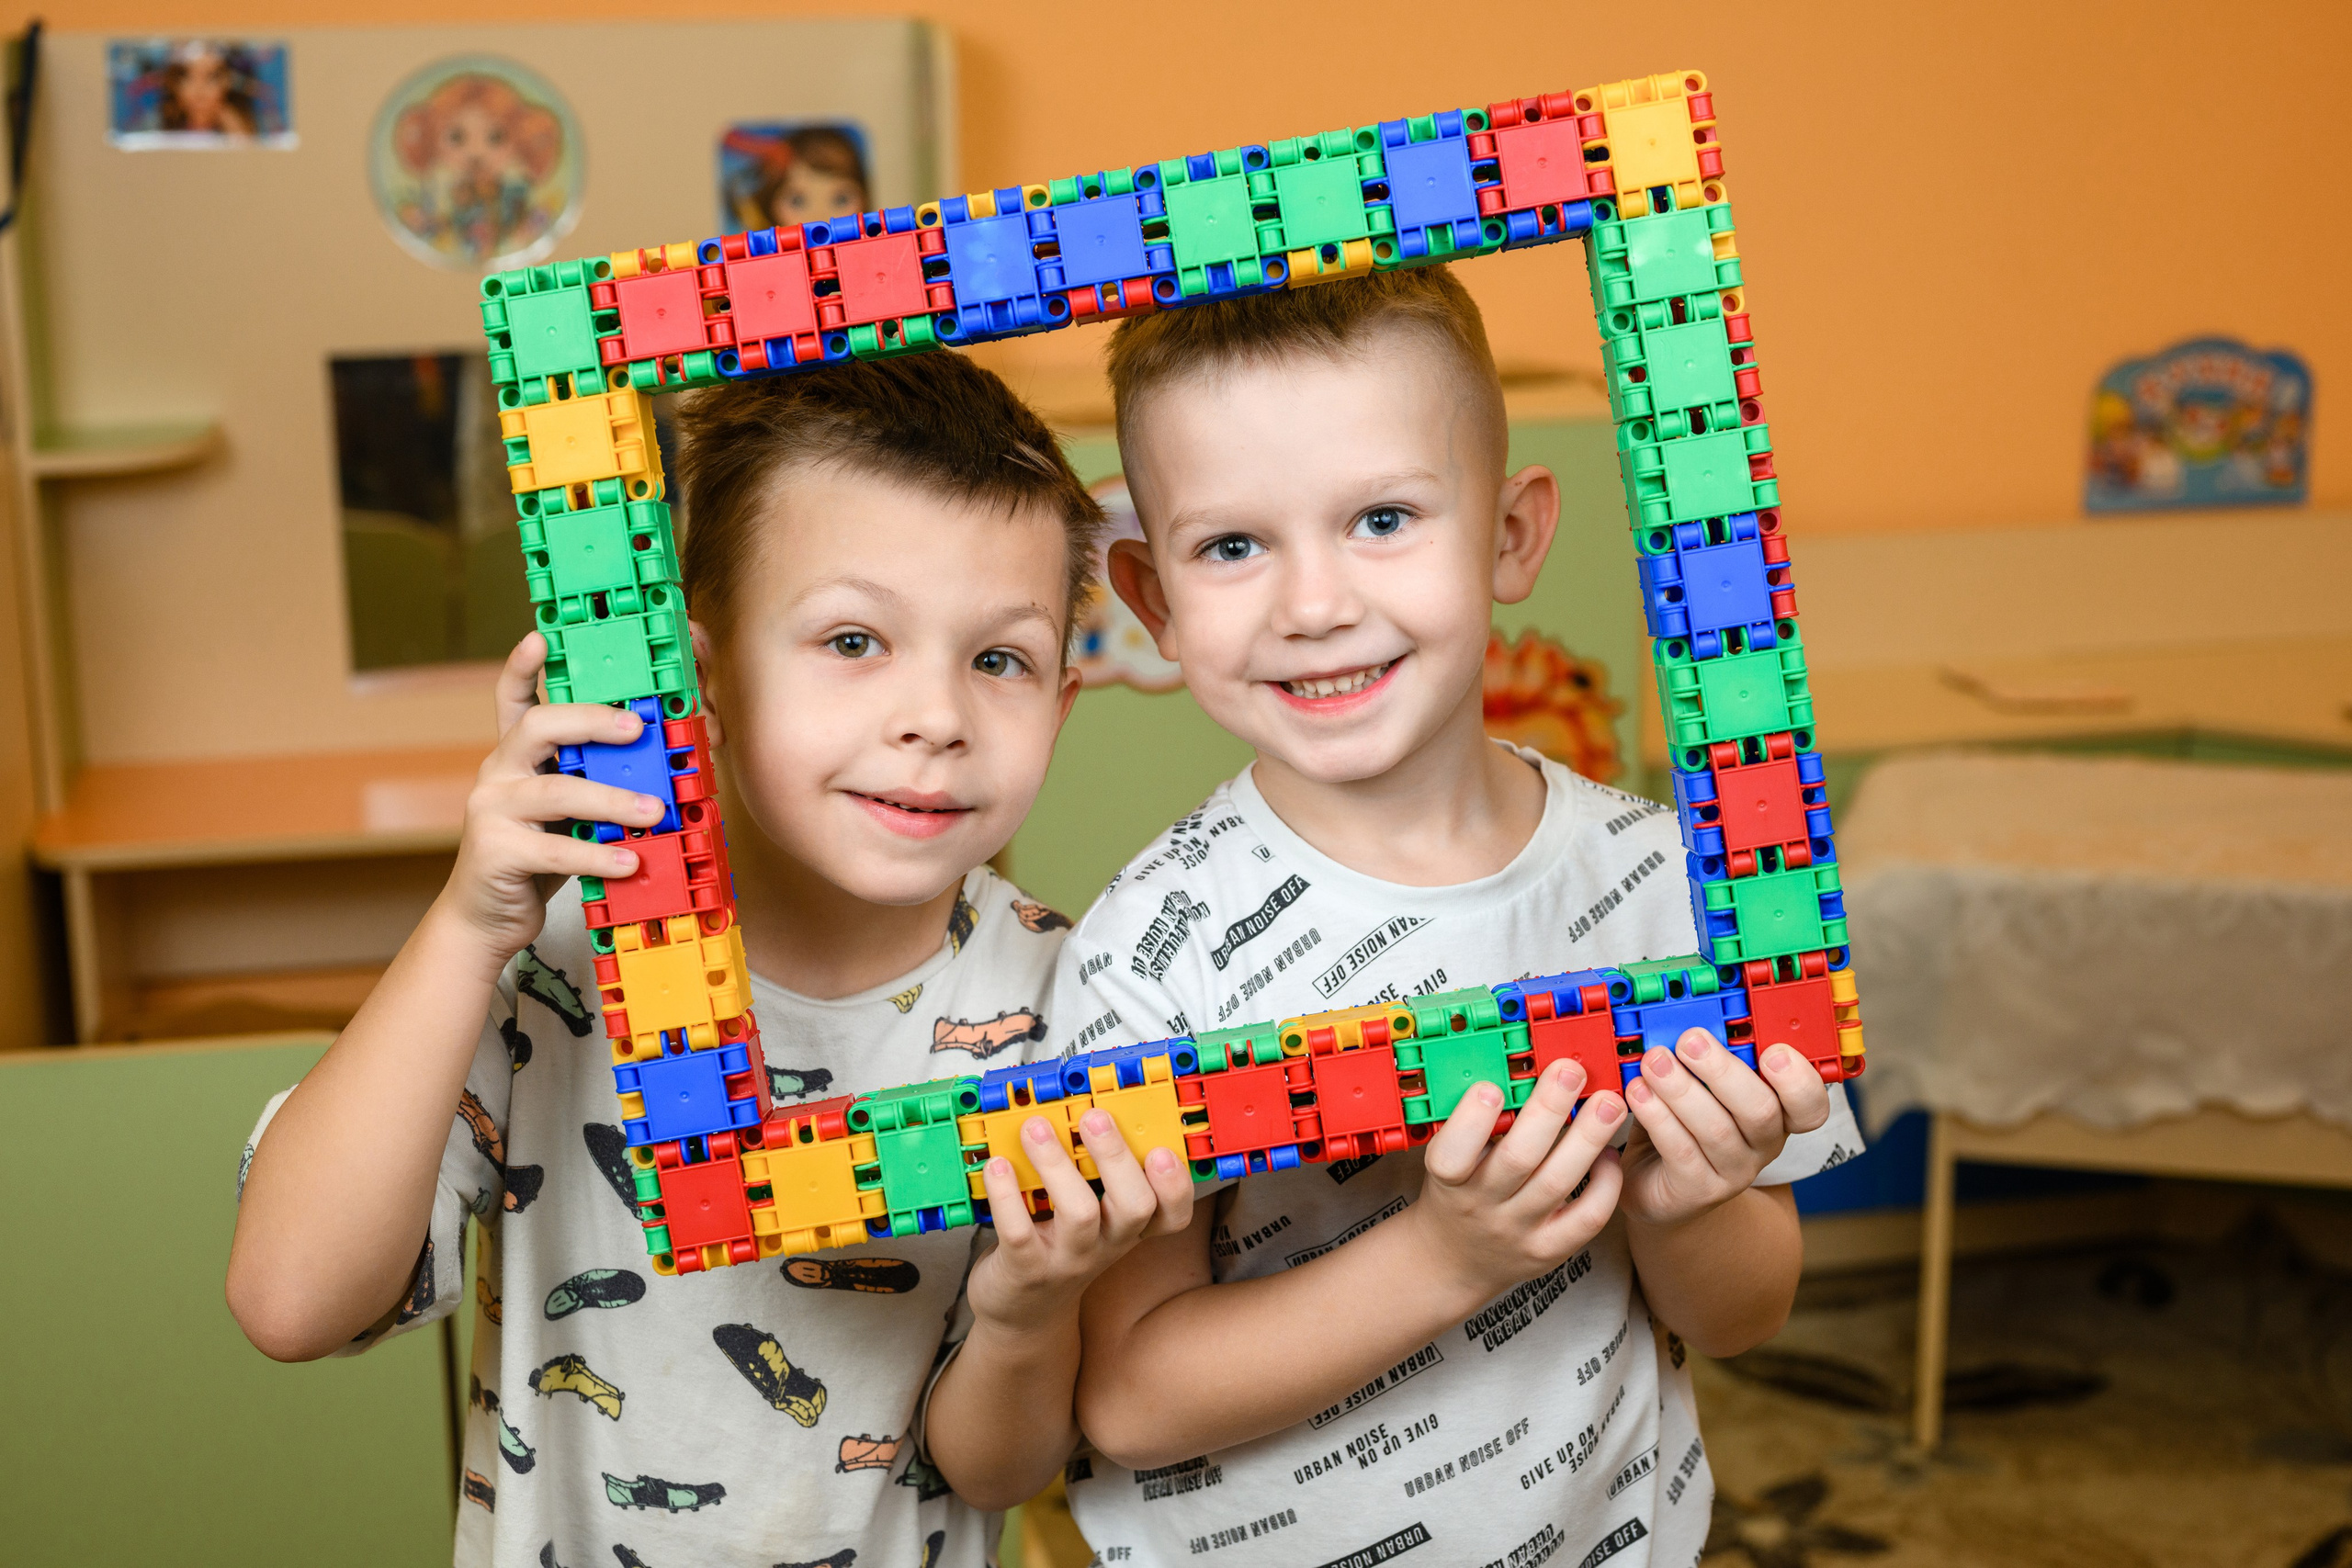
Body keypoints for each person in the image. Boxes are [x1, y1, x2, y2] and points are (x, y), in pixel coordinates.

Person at [228, 355, 1195, 1567]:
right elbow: (289, 1301)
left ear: (1060, 700)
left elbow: (997, 1467)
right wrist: (472, 924)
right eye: (854, 639)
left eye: (996, 660)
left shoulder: (1075, 1005)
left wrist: (1024, 1311)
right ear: (703, 675)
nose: (937, 716)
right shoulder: (563, 956)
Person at [1051, 266, 1868, 1566]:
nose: (1313, 605)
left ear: (1510, 535)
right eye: (1232, 546)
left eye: (1382, 517)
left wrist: (1686, 1199)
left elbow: (1743, 1315)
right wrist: (1447, 1255)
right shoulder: (1144, 950)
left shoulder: (1670, 877)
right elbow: (1132, 1399)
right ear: (1152, 599)